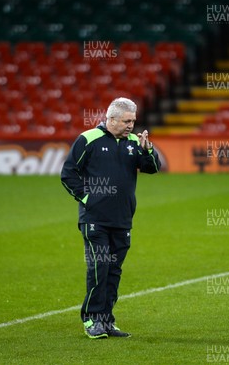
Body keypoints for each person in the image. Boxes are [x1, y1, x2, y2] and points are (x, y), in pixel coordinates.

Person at [61, 97, 160, 339]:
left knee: (114, 270)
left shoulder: (135, 142)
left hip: (123, 219)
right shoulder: (88, 139)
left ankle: (106, 320)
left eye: (133, 121)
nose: (131, 125)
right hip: (95, 219)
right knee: (99, 267)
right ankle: (92, 319)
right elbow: (68, 173)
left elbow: (152, 168)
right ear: (111, 119)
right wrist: (87, 199)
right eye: (127, 121)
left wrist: (148, 151)